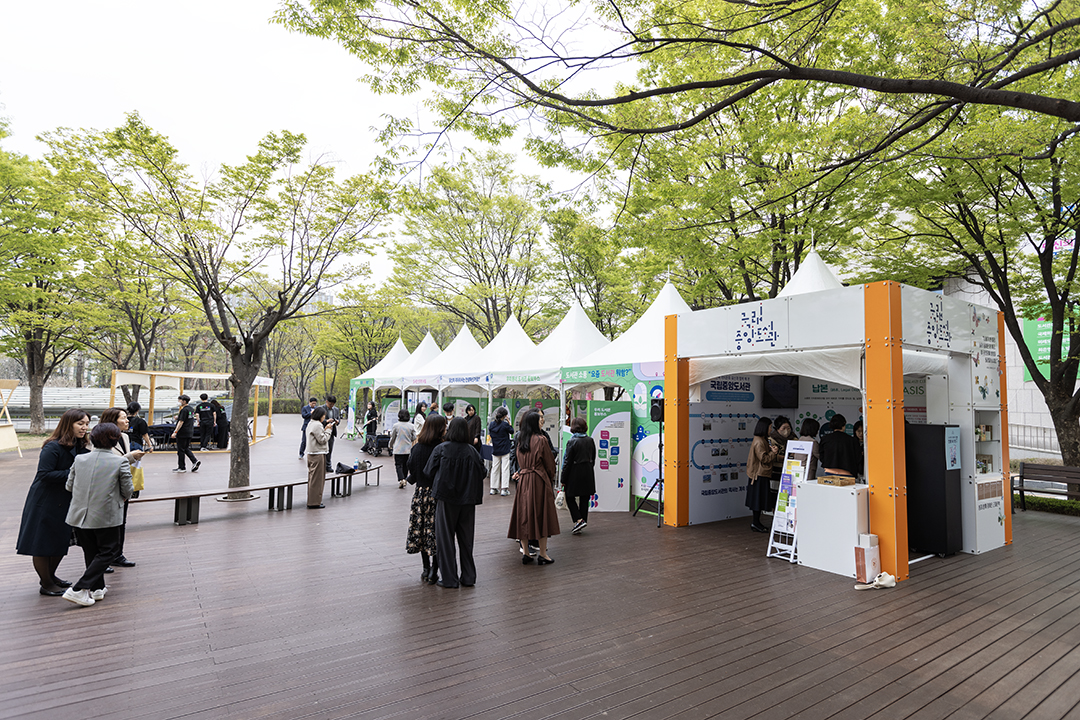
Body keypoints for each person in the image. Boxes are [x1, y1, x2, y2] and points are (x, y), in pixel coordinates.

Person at [16, 408, 91, 597]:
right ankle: (46, 583)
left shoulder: (79, 446)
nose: (85, 428)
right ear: (68, 424)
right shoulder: (52, 446)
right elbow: (44, 474)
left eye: (87, 424)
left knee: (59, 540)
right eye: (80, 423)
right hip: (46, 501)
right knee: (42, 544)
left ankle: (51, 576)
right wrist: (74, 473)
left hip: (65, 500)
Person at [62, 422, 134, 607]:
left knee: (91, 551)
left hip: (79, 514)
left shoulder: (80, 459)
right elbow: (128, 490)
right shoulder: (120, 461)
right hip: (106, 514)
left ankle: (96, 588)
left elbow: (69, 486)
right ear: (115, 440)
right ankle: (79, 588)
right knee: (109, 550)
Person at [424, 417, 487, 588]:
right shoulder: (472, 451)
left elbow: (428, 471)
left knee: (445, 539)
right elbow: (483, 472)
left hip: (446, 499)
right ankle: (468, 577)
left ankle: (450, 578)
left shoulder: (441, 449)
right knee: (466, 540)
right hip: (468, 501)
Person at [508, 410, 560, 565]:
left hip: (523, 480)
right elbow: (550, 464)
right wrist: (549, 477)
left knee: (523, 515)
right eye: (539, 419)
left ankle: (526, 553)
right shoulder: (541, 439)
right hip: (538, 480)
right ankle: (543, 554)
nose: (542, 421)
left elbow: (517, 459)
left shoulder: (521, 439)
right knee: (541, 515)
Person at [99, 407, 147, 569]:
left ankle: (117, 554)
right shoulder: (99, 439)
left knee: (121, 522)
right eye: (124, 418)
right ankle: (103, 558)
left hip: (122, 487)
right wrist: (130, 457)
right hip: (106, 488)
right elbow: (105, 463)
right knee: (106, 525)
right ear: (113, 421)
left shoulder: (125, 437)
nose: (128, 421)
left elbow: (122, 463)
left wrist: (133, 458)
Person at [407, 414, 446, 585]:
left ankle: (425, 568)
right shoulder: (443, 448)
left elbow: (412, 473)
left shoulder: (417, 448)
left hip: (420, 495)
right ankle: (434, 571)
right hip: (437, 496)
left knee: (421, 531)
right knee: (436, 533)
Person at [562, 417, 596, 535]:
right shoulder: (590, 440)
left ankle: (579, 520)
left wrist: (563, 478)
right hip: (588, 473)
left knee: (570, 497)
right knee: (584, 498)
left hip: (574, 474)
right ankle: (581, 521)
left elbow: (567, 462)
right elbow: (594, 458)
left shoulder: (572, 442)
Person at [745, 417, 780, 533]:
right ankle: (756, 523)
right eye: (770, 427)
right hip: (759, 474)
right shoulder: (759, 441)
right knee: (758, 500)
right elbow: (764, 458)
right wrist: (773, 453)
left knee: (758, 500)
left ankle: (756, 522)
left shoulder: (761, 439)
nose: (771, 429)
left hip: (759, 474)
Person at [305, 406, 334, 508]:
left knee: (313, 479)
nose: (324, 418)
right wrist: (329, 430)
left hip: (311, 454)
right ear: (320, 416)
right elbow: (322, 439)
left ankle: (313, 500)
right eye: (324, 416)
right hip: (317, 454)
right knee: (317, 480)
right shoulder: (317, 425)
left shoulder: (311, 423)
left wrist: (325, 429)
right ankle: (314, 502)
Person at [819, 414, 864, 479]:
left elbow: (821, 456)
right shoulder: (851, 440)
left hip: (829, 472)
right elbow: (858, 457)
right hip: (847, 472)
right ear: (843, 425)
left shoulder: (825, 439)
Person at [487, 406, 513, 496]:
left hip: (495, 449)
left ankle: (493, 488)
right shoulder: (505, 425)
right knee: (505, 468)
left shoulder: (491, 425)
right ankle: (504, 489)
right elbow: (512, 431)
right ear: (505, 416)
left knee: (495, 468)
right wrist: (509, 422)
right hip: (505, 449)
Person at [171, 395, 199, 472]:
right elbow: (185, 418)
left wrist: (175, 432)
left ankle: (182, 467)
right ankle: (194, 461)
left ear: (184, 401)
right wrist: (178, 417)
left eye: (180, 400)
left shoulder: (184, 410)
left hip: (182, 432)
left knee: (180, 450)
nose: (179, 402)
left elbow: (181, 422)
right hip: (189, 431)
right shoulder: (190, 409)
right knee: (185, 448)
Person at [390, 408, 416, 489]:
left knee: (398, 464)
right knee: (405, 465)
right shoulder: (411, 426)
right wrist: (409, 439)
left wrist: (390, 445)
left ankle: (401, 479)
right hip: (407, 449)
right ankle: (404, 478)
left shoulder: (396, 425)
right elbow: (414, 437)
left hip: (398, 449)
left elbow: (393, 437)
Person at [324, 395, 342, 472]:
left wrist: (337, 421)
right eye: (330, 404)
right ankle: (323, 465)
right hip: (323, 431)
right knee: (323, 449)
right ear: (326, 402)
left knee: (330, 449)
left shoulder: (336, 410)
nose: (331, 406)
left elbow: (338, 418)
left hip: (332, 432)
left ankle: (328, 465)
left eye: (333, 404)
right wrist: (327, 421)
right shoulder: (321, 409)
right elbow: (318, 419)